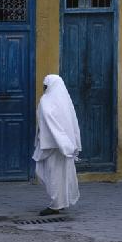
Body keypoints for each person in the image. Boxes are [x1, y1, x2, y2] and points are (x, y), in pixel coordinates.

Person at [32, 74, 81, 216]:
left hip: (53, 145)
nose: (44, 87)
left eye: (45, 85)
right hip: (63, 146)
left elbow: (50, 123)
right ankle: (61, 202)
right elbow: (72, 125)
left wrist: (62, 143)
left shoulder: (46, 101)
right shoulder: (65, 102)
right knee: (62, 175)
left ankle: (55, 205)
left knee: (52, 175)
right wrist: (69, 144)